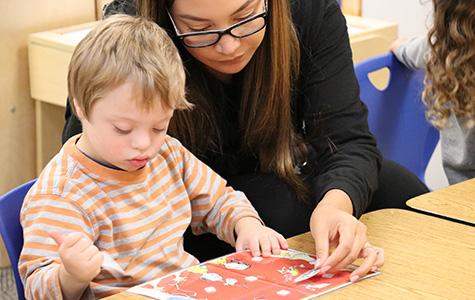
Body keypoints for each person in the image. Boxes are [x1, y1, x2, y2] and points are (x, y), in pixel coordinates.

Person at [62, 0, 428, 280]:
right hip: (174, 220)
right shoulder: (132, 33)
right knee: (279, 209)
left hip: (252, 195)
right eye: (199, 28)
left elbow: (349, 140)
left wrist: (336, 207)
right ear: (165, 15)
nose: (229, 45)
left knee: (399, 188)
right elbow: (85, 167)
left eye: (246, 16)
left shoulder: (309, 11)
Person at [19, 15, 288, 299]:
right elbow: (37, 288)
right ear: (81, 108)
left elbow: (219, 199)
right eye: (123, 129)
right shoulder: (62, 194)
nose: (144, 144)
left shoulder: (167, 154)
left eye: (159, 126)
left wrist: (245, 225)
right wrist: (71, 276)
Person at [391, 0, 475, 184]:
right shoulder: (438, 51)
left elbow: (402, 49)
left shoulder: (440, 52)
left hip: (458, 196)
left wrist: (401, 45)